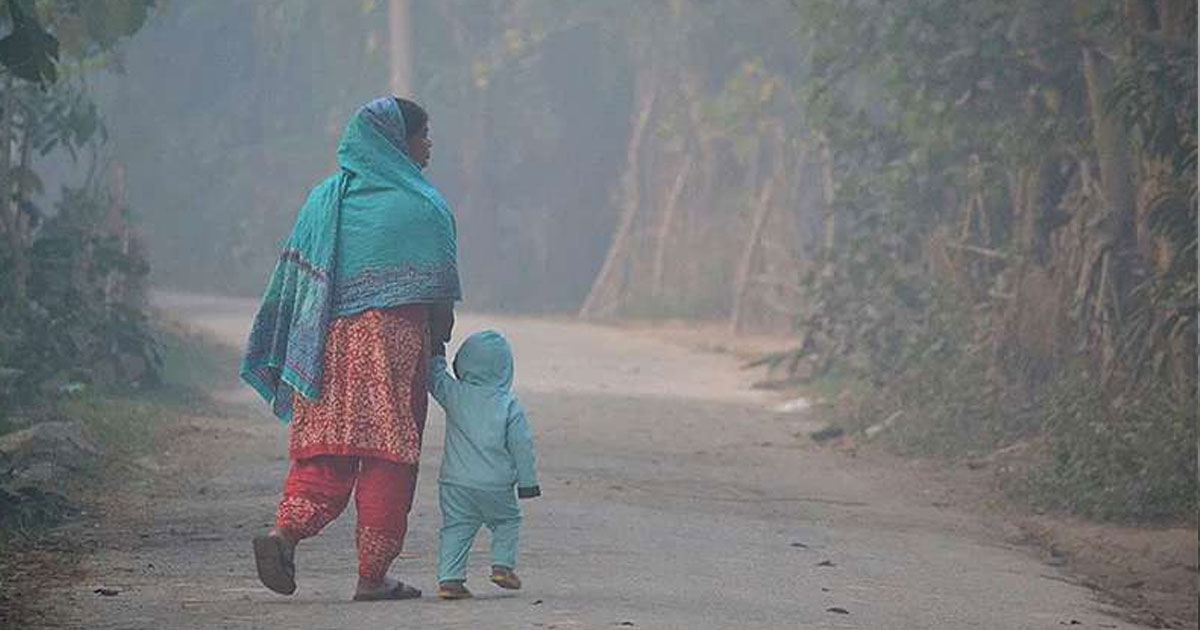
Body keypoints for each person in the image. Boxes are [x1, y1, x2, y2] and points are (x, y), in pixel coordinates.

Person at [240, 96, 458, 601]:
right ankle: (371, 576)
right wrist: (438, 343)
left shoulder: (325, 199)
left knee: (328, 448)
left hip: (327, 343)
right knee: (389, 455)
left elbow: (295, 281)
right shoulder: (423, 204)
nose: (429, 144)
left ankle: (284, 536)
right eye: (423, 134)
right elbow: (439, 291)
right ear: (397, 141)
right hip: (396, 345)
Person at [427, 330, 540, 600]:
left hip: (455, 483)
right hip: (496, 484)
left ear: (462, 365)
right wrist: (528, 483)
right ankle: (502, 566)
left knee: (456, 527)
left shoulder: (456, 394)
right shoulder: (508, 404)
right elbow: (522, 446)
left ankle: (450, 579)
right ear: (506, 369)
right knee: (507, 521)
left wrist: (436, 354)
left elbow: (435, 379)